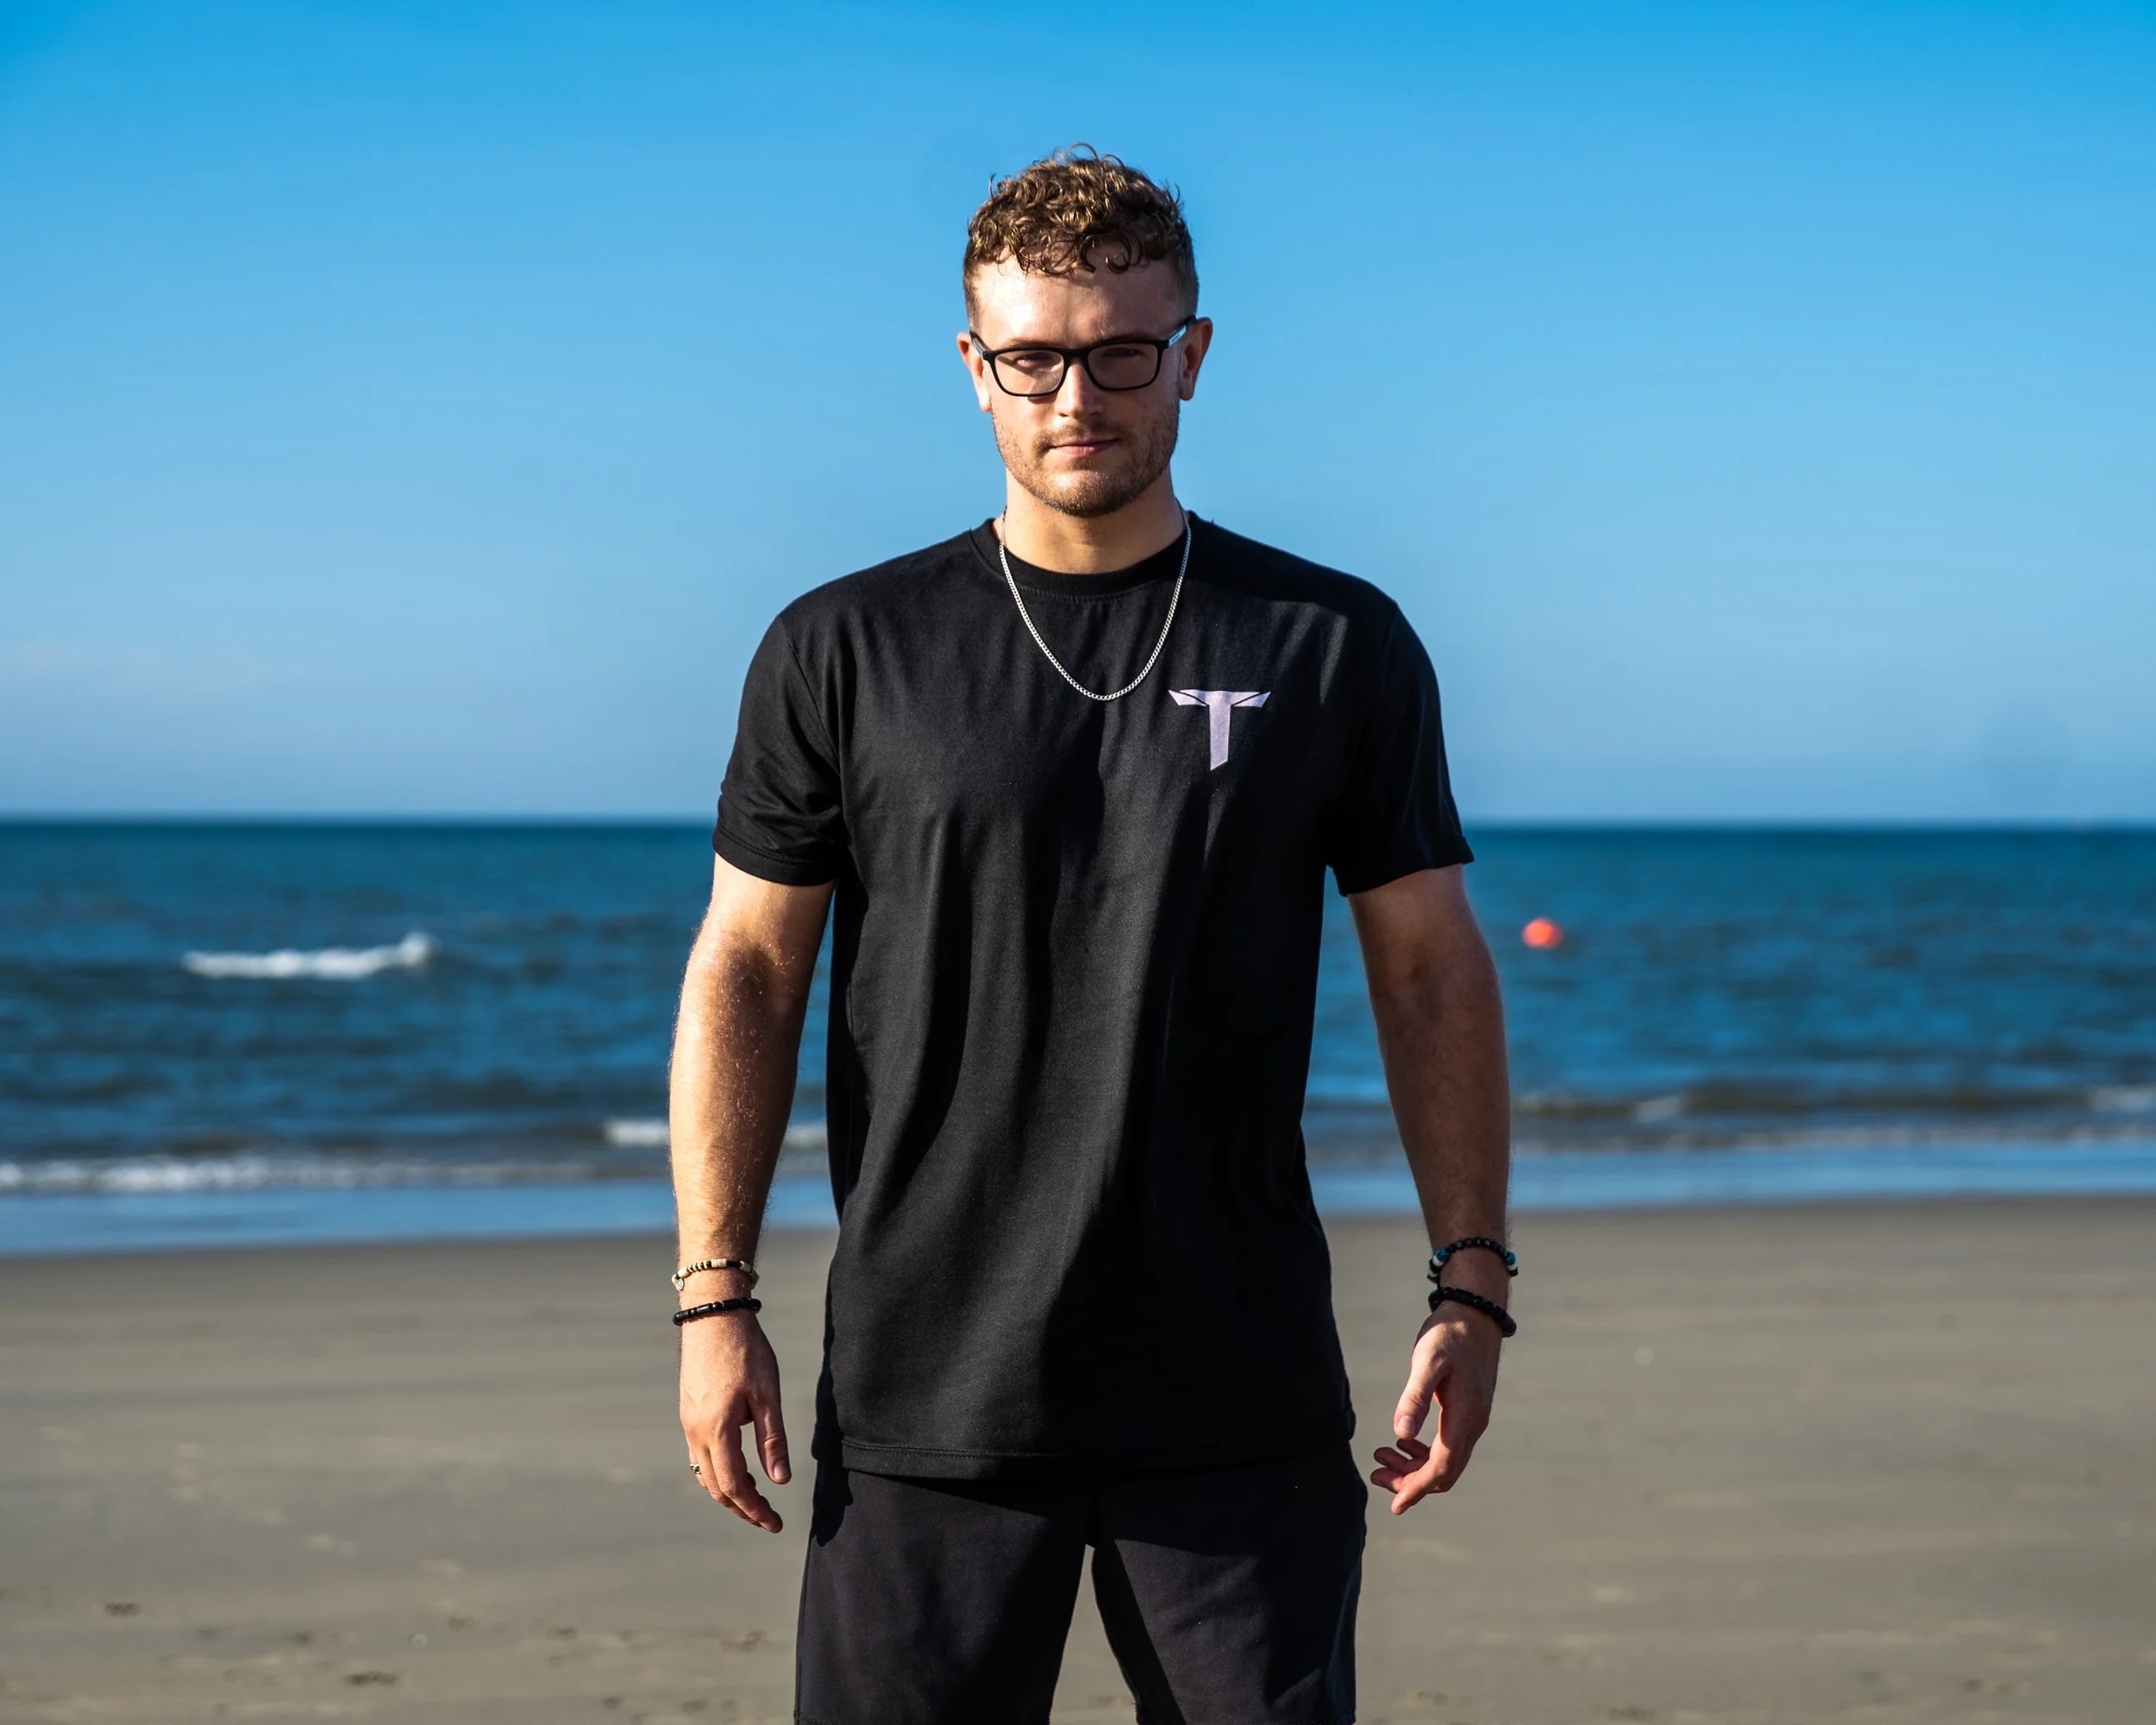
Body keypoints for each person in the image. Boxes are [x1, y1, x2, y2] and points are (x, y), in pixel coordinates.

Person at [668, 146, 1513, 1725]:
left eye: (1123, 352)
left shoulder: (1333, 645)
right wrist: (716, 1300)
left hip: (1235, 1389)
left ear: (1192, 355)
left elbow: (1429, 967)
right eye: (1034, 358)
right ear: (973, 364)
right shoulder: (841, 648)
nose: (1078, 397)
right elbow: (749, 968)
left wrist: (1472, 1286)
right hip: (930, 1394)